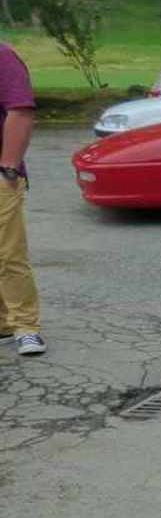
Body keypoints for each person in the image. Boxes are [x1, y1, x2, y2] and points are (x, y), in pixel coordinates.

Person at [0, 42, 43, 356]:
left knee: (8, 253)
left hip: (2, 173)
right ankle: (4, 323)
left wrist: (8, 169)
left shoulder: (2, 56)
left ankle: (26, 327)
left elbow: (20, 110)